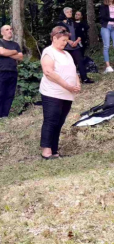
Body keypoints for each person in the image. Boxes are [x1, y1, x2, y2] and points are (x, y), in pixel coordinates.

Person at [39, 26, 81, 159]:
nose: (65, 43)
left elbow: (74, 71)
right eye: (63, 40)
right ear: (54, 38)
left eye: (66, 40)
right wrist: (68, 86)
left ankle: (55, 151)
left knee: (60, 121)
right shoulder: (48, 52)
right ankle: (46, 152)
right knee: (51, 121)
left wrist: (77, 84)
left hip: (67, 94)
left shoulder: (67, 54)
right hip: (52, 93)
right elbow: (49, 72)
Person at [0, 25, 23, 120]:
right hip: (1, 71)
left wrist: (8, 53)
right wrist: (14, 52)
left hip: (13, 71)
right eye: (7, 29)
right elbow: (1, 52)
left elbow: (20, 57)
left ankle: (5, 115)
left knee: (10, 94)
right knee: (0, 94)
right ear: (2, 33)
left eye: (10, 29)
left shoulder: (15, 44)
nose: (10, 31)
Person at [58, 7, 94, 84]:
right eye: (68, 12)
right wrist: (69, 41)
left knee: (80, 61)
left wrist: (77, 41)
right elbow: (60, 35)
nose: (70, 13)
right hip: (66, 47)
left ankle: (84, 79)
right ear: (64, 13)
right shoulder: (60, 24)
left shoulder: (73, 22)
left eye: (71, 12)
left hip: (75, 46)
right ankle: (68, 81)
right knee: (68, 64)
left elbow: (80, 33)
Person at [100, 0, 114, 73]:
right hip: (106, 27)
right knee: (106, 46)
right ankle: (108, 67)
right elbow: (104, 17)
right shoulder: (103, 6)